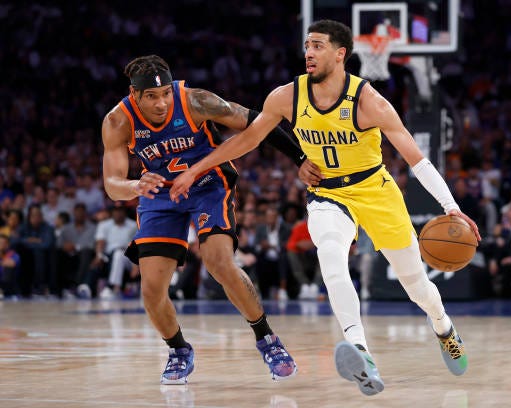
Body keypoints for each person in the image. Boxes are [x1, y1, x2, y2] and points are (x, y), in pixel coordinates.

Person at [169, 20, 481, 395]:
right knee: (331, 256)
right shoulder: (286, 96)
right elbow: (249, 138)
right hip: (327, 194)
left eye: (318, 46)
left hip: (376, 190)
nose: (309, 53)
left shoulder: (369, 102)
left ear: (340, 54)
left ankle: (444, 326)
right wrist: (196, 170)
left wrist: (451, 207)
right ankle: (361, 352)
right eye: (306, 46)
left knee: (416, 286)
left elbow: (417, 159)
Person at [101, 55, 320, 384]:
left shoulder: (196, 100)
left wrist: (299, 158)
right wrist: (134, 184)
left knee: (218, 261)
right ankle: (178, 350)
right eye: (151, 97)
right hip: (160, 193)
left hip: (208, 182)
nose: (161, 104)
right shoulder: (118, 121)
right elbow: (111, 185)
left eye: (165, 95)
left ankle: (267, 340)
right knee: (151, 289)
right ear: (135, 94)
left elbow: (258, 122)